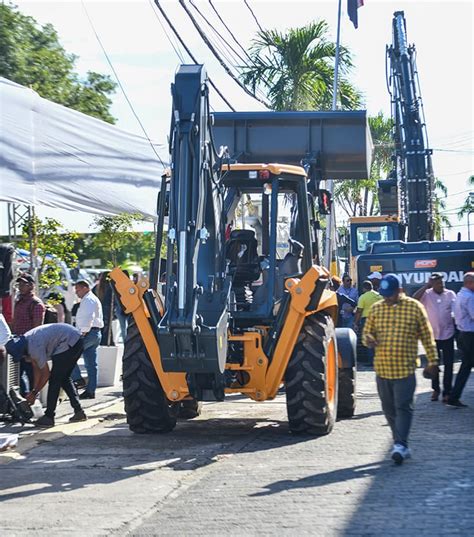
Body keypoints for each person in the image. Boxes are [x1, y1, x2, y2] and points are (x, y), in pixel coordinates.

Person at [363, 274, 438, 465]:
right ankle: (399, 441)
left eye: (390, 294)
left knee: (403, 407)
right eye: (385, 294)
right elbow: (367, 333)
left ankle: (400, 444)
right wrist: (369, 340)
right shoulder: (377, 309)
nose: (387, 298)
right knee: (388, 409)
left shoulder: (415, 308)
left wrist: (433, 361)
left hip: (405, 370)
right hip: (382, 370)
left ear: (400, 290)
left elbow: (427, 337)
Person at [4, 323, 87, 427]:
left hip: (69, 341)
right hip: (75, 339)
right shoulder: (27, 340)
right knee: (64, 378)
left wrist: (34, 393)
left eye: (22, 356)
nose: (24, 359)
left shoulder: (34, 347)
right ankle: (79, 412)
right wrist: (34, 391)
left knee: (54, 380)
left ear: (23, 351)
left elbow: (45, 374)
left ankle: (49, 417)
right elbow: (36, 369)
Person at [413, 273, 456, 402]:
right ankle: (436, 389)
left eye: (442, 283)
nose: (441, 285)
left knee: (449, 365)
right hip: (432, 336)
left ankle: (447, 392)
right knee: (434, 364)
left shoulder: (450, 294)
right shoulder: (427, 294)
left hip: (448, 334)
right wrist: (426, 286)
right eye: (437, 283)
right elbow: (415, 298)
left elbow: (455, 310)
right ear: (432, 284)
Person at [12, 273, 45, 395]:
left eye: (23, 284)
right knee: (16, 374)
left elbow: (37, 329)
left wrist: (31, 351)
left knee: (31, 374)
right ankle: (22, 399)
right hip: (17, 343)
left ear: (31, 286)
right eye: (19, 284)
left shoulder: (36, 304)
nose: (20, 287)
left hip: (29, 345)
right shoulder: (19, 301)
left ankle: (31, 398)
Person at [71, 280, 104, 399]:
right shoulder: (90, 298)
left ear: (85, 288)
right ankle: (90, 391)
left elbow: (88, 317)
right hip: (94, 333)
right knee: (91, 364)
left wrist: (83, 333)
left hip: (88, 333)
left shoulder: (88, 300)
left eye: (78, 290)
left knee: (69, 355)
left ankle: (78, 379)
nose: (76, 293)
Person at [446, 272, 474, 408]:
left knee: (466, 366)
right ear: (469, 283)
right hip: (470, 335)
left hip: (463, 334)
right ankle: (453, 396)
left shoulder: (460, 295)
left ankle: (453, 396)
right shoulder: (469, 297)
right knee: (466, 366)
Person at [353, 280, 381, 360]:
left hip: (367, 320)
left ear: (364, 288)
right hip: (379, 319)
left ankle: (371, 360)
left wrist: (356, 323)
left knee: (369, 340)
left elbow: (359, 311)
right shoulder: (379, 296)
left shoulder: (363, 297)